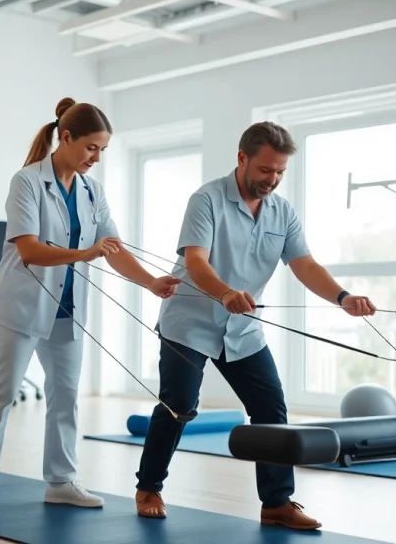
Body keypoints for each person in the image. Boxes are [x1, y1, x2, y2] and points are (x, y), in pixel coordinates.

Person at [133, 121, 376, 531]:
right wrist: (226, 292)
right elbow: (196, 262)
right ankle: (149, 487)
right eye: (266, 170)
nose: (273, 179)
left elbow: (305, 264)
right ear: (242, 158)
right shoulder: (206, 199)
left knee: (270, 409)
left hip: (243, 330)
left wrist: (342, 297)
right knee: (180, 406)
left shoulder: (283, 211)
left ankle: (277, 503)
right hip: (189, 323)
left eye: (280, 171)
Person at [0, 97, 181, 514]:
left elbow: (112, 249)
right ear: (65, 137)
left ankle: (61, 480)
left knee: (65, 395)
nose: (97, 158)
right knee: (2, 392)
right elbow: (29, 250)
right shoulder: (26, 181)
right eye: (91, 148)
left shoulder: (91, 190)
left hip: (67, 310)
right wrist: (85, 254)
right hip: (21, 307)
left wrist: (150, 282)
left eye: (103, 150)